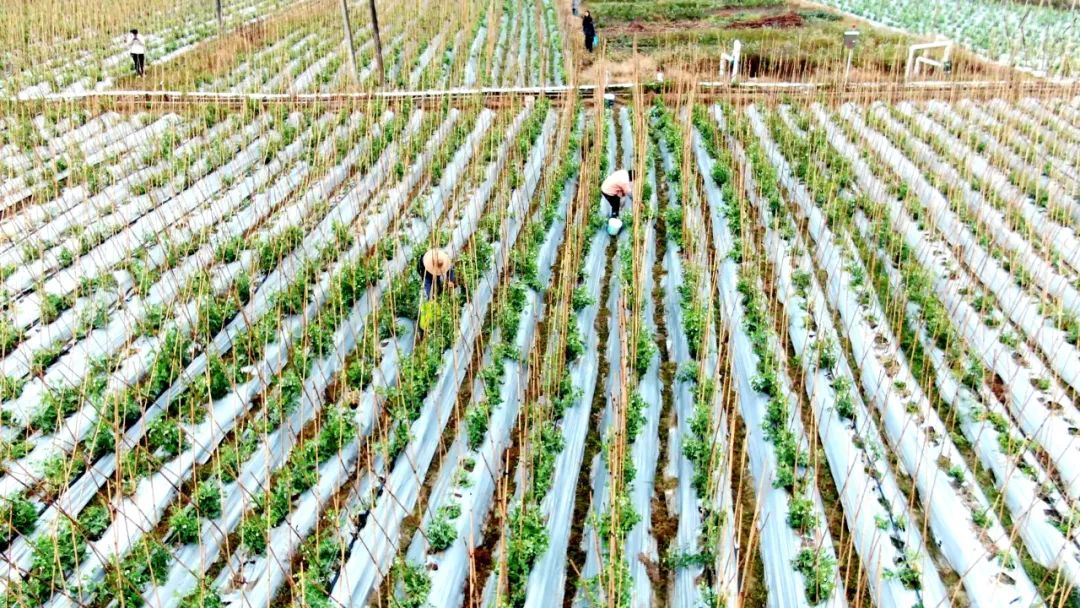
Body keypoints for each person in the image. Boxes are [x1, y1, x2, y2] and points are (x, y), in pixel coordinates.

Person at [416, 248, 457, 337]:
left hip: (434, 273)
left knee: (437, 288)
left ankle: (435, 316)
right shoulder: (425, 264)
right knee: (429, 296)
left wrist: (451, 280)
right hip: (425, 274)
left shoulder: (444, 259)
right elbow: (427, 282)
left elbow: (451, 269)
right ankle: (422, 328)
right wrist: (431, 294)